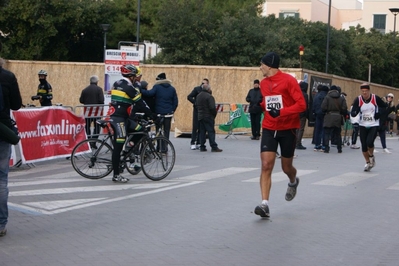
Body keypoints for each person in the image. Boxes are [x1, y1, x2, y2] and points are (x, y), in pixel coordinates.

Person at [254, 52, 306, 218]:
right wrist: (260, 105)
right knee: (266, 165)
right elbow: (268, 102)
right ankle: (264, 204)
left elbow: (302, 105)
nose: (260, 67)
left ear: (269, 65)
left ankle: (293, 181)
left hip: (288, 128)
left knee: (286, 167)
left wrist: (282, 112)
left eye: (262, 64)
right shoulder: (263, 83)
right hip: (269, 127)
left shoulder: (289, 81)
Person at [109, 64, 154, 183]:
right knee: (118, 147)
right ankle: (116, 174)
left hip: (124, 118)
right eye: (135, 76)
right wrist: (152, 115)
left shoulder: (117, 83)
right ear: (131, 76)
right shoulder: (128, 87)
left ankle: (127, 149)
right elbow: (140, 103)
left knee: (141, 130)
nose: (136, 78)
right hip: (119, 119)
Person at [0, 57, 23, 237]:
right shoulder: (7, 77)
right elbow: (16, 104)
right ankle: (1, 223)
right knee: (1, 180)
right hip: (3, 132)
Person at [350, 83, 387, 171]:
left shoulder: (375, 98)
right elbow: (353, 111)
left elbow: (385, 107)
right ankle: (368, 162)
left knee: (369, 142)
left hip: (373, 124)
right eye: (363, 91)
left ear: (369, 91)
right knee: (363, 145)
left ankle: (371, 156)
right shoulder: (358, 99)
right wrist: (355, 112)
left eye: (366, 91)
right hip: (363, 124)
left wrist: (379, 114)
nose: (364, 93)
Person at [141, 72, 178, 141]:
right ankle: (165, 148)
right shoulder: (172, 88)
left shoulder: (157, 87)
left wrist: (141, 90)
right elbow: (175, 102)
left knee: (158, 130)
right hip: (168, 114)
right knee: (167, 131)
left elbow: (149, 94)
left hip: (159, 113)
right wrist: (172, 110)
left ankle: (159, 147)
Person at [195, 83, 223, 152]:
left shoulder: (198, 96)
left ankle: (202, 146)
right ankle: (213, 146)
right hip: (208, 116)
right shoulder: (209, 97)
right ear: (208, 89)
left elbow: (196, 105)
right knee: (211, 131)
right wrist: (214, 115)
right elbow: (212, 108)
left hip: (200, 116)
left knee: (202, 132)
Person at [321, 85, 347, 153]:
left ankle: (326, 148)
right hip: (338, 117)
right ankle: (339, 148)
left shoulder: (327, 97)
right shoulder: (341, 98)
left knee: (327, 133)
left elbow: (323, 107)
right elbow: (344, 108)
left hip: (329, 116)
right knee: (338, 133)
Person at [79, 75, 105, 144]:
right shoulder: (99, 89)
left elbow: (81, 100)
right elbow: (101, 100)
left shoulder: (85, 90)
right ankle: (94, 141)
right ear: (97, 81)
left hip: (87, 112)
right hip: (97, 112)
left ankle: (88, 140)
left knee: (87, 126)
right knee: (97, 126)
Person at [187, 78, 209, 150]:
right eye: (202, 83)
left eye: (205, 83)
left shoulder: (208, 91)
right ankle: (193, 142)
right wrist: (195, 103)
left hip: (203, 111)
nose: (203, 85)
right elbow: (189, 96)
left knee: (201, 127)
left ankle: (199, 142)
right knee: (195, 126)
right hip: (197, 110)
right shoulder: (197, 89)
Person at [312, 85, 328, 151]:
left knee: (317, 130)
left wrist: (314, 112)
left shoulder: (316, 96)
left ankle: (317, 144)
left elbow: (314, 105)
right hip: (324, 114)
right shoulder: (326, 96)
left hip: (317, 114)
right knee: (324, 130)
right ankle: (324, 145)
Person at [296, 81, 309, 149]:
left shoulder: (297, 93)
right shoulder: (305, 95)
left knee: (296, 128)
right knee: (301, 129)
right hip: (302, 113)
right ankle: (298, 143)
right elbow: (305, 105)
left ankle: (294, 142)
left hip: (296, 112)